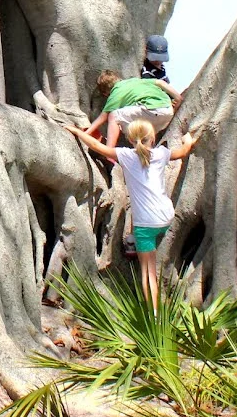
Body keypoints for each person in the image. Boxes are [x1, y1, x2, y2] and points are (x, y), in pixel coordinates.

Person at [66, 119, 197, 306]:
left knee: (147, 273)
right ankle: (133, 243)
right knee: (142, 237)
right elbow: (184, 152)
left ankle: (154, 316)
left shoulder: (125, 155)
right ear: (152, 137)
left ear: (129, 138)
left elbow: (95, 144)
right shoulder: (161, 153)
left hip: (145, 224)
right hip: (165, 217)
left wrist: (76, 130)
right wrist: (188, 140)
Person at [86, 69, 183, 149]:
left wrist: (86, 133)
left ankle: (108, 152)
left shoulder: (116, 92)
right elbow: (160, 82)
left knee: (113, 116)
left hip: (151, 110)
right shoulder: (136, 80)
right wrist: (177, 98)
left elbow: (103, 117)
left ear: (105, 93)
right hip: (167, 112)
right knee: (142, 133)